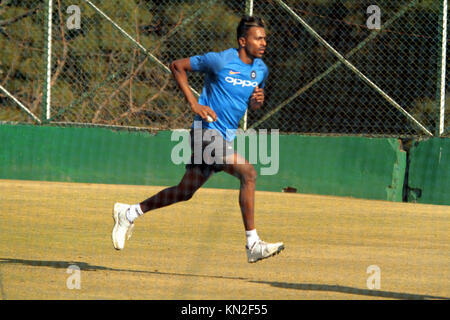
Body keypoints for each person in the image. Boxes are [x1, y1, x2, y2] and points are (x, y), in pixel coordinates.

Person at [112, 16, 284, 263]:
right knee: (248, 173)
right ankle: (252, 243)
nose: (263, 42)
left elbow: (252, 102)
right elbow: (176, 66)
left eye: (265, 38)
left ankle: (129, 213)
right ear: (243, 41)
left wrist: (257, 103)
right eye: (258, 38)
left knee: (184, 192)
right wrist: (195, 104)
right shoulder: (220, 60)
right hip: (205, 134)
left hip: (223, 138)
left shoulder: (261, 70)